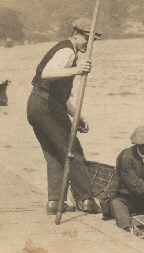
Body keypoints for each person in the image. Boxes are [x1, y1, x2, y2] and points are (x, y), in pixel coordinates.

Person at [26, 18, 102, 215]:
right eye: (86, 37)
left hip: (36, 105)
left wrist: (78, 115)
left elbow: (58, 94)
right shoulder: (68, 51)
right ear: (75, 34)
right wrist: (78, 69)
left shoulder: (70, 52)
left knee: (53, 155)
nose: (88, 42)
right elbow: (47, 73)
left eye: (91, 39)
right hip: (46, 107)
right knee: (72, 149)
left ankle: (55, 202)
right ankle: (86, 200)